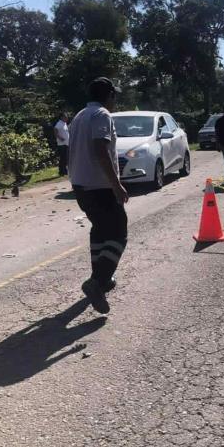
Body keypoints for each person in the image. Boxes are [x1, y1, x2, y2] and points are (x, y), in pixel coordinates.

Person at [68, 77, 128, 314]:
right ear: (110, 95)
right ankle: (98, 282)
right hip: (99, 186)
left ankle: (100, 279)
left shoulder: (79, 115)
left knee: (100, 230)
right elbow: (100, 149)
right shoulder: (101, 115)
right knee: (119, 233)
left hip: (81, 186)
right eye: (115, 96)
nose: (115, 101)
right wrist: (116, 185)